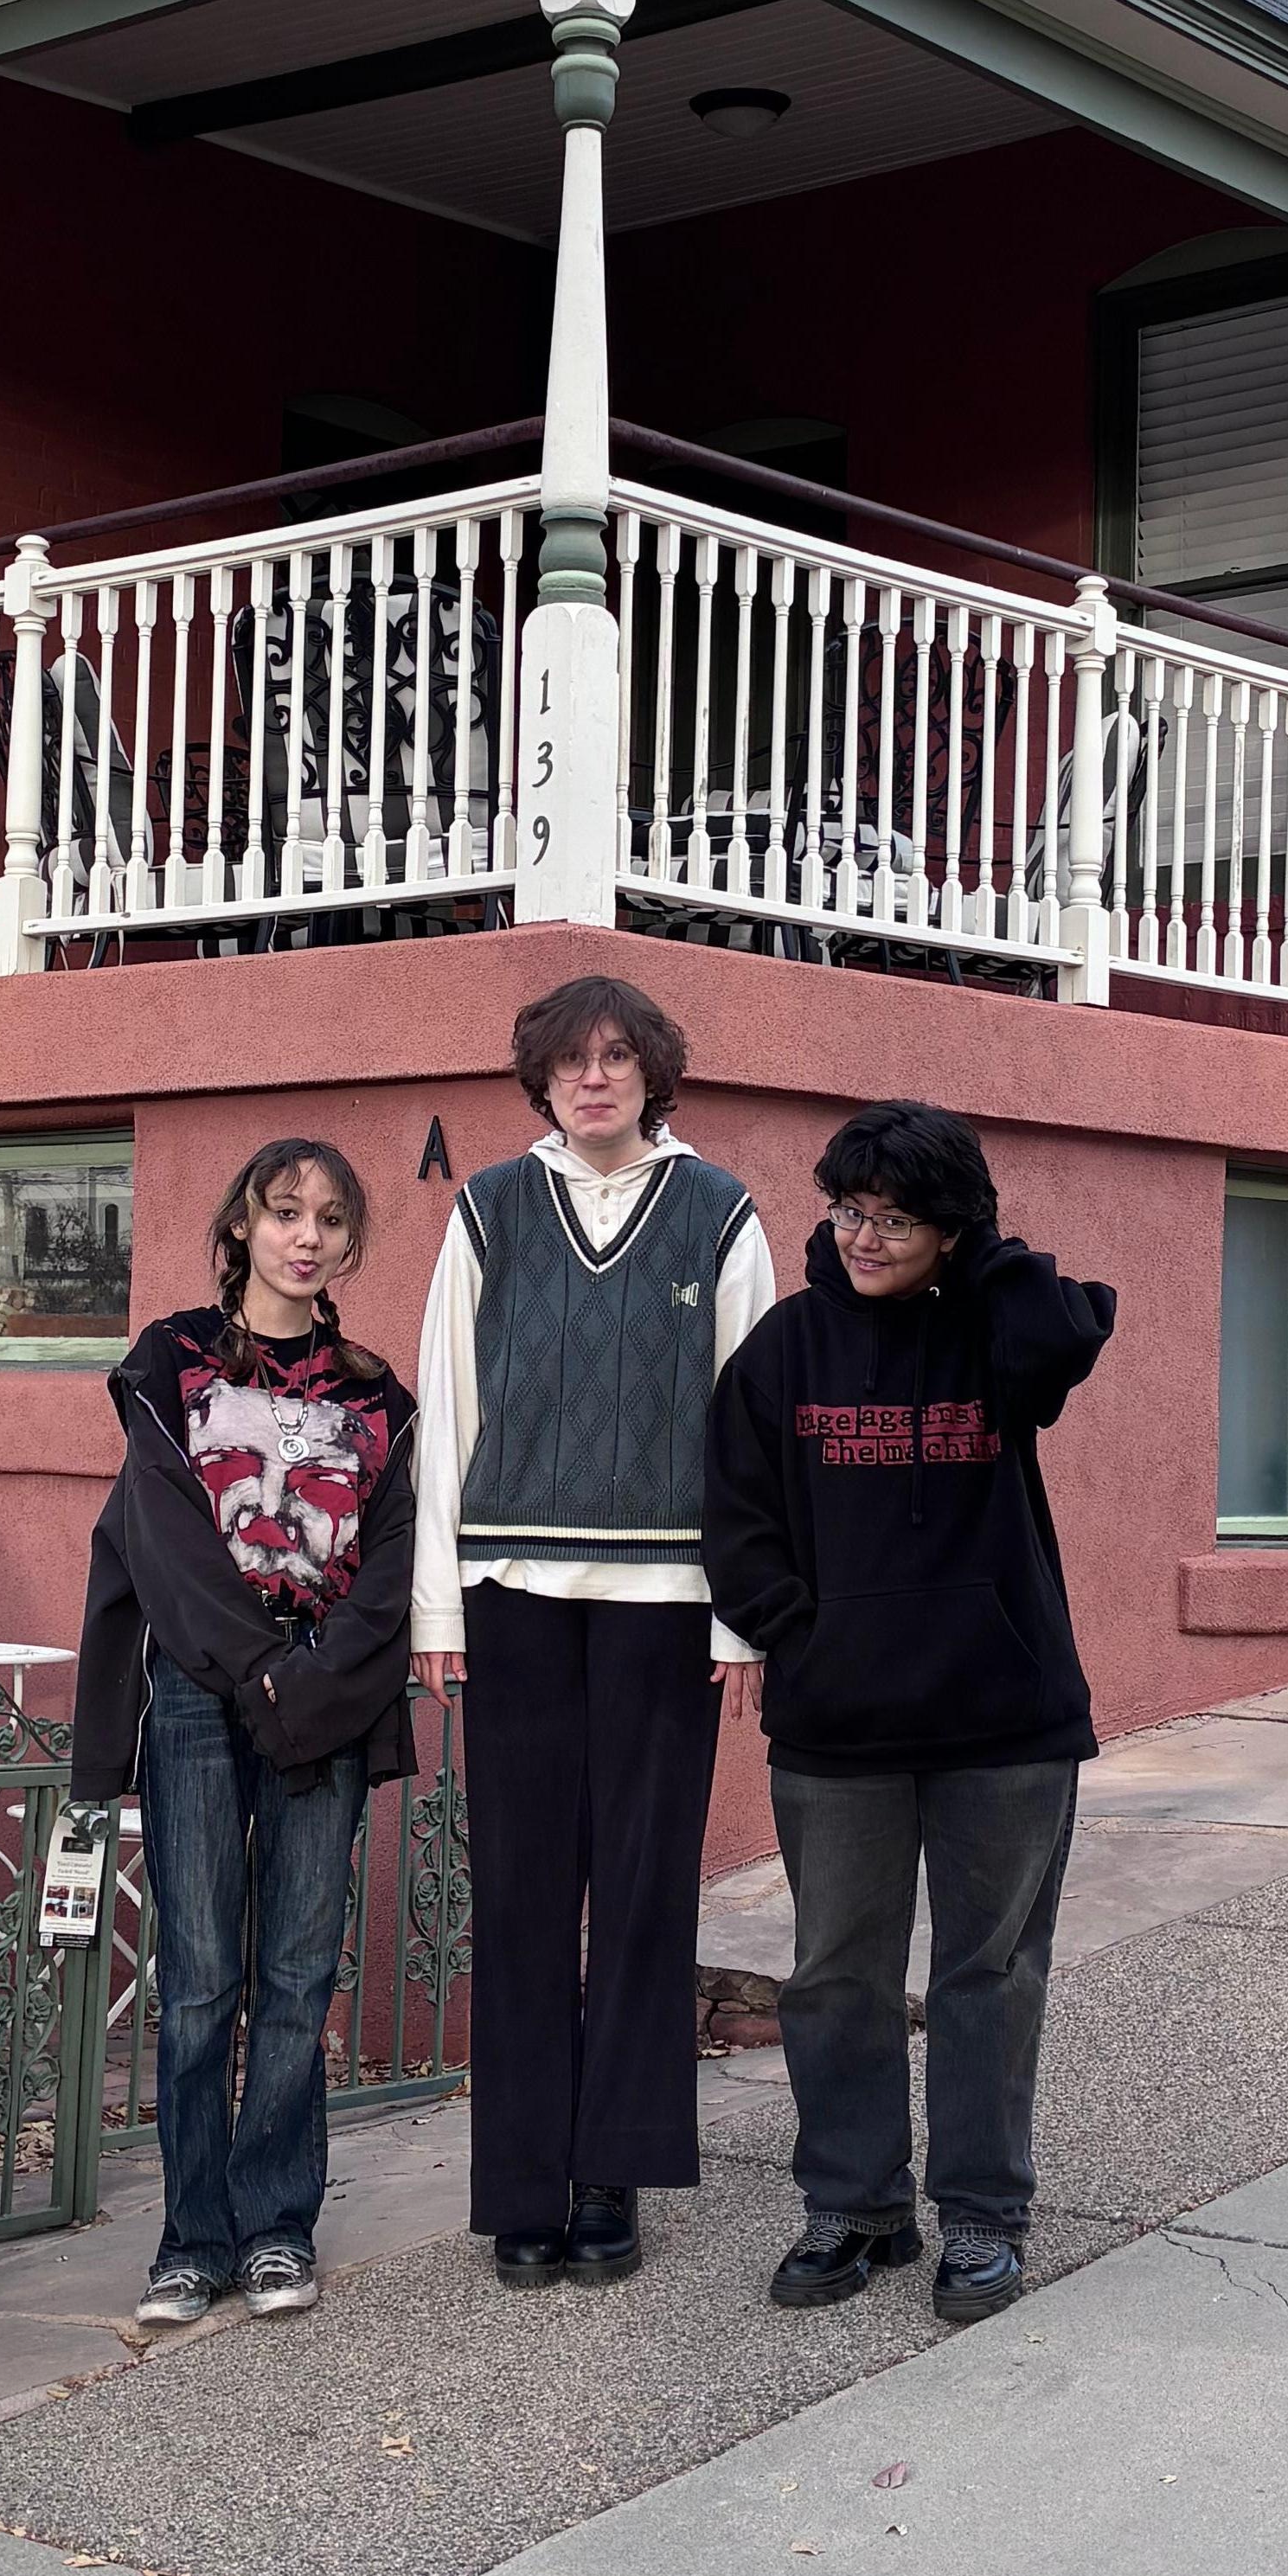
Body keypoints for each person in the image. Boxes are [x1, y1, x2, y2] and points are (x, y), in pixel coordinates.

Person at [701, 1101, 1115, 2329]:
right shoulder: (785, 1351)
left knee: (990, 1973)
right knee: (836, 1975)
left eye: (897, 1219)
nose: (866, 1239)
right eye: (851, 1212)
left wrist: (981, 1255)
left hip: (1006, 1717)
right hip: (841, 1727)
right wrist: (801, 1632)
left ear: (950, 1230)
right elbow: (735, 1512)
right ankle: (855, 2207)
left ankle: (984, 2221)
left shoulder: (998, 1331)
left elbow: (1062, 1337)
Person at [410, 972, 779, 2288]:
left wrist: (744, 1623)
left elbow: (751, 1435)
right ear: (543, 1080)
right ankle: (523, 2186)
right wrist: (437, 1605)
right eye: (572, 1059)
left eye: (620, 1056)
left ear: (653, 1073)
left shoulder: (722, 1215)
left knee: (640, 1892)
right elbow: (447, 1408)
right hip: (514, 1596)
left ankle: (612, 2175)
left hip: (668, 1607)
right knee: (517, 1895)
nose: (596, 1077)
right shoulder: (491, 1211)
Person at [73, 1136, 419, 2334]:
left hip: (324, 1700)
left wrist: (311, 1684)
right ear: (243, 1228)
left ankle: (278, 2229)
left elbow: (390, 1566)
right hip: (199, 1698)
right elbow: (164, 1545)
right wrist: (260, 1672)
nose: (306, 1234)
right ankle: (191, 2239)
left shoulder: (376, 1393)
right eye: (284, 1213)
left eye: (329, 1217)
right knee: (200, 1981)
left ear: (350, 1244)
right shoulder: (169, 1363)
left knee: (294, 1976)